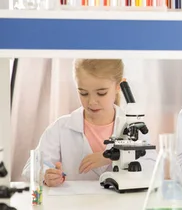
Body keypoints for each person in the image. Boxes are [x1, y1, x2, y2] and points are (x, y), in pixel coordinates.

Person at [22, 59, 154, 186]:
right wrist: (46, 174)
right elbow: (30, 168)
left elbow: (152, 167)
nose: (91, 102)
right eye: (84, 93)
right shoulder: (61, 127)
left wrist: (114, 157)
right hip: (74, 206)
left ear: (119, 86)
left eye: (101, 93)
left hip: (121, 205)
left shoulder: (133, 126)